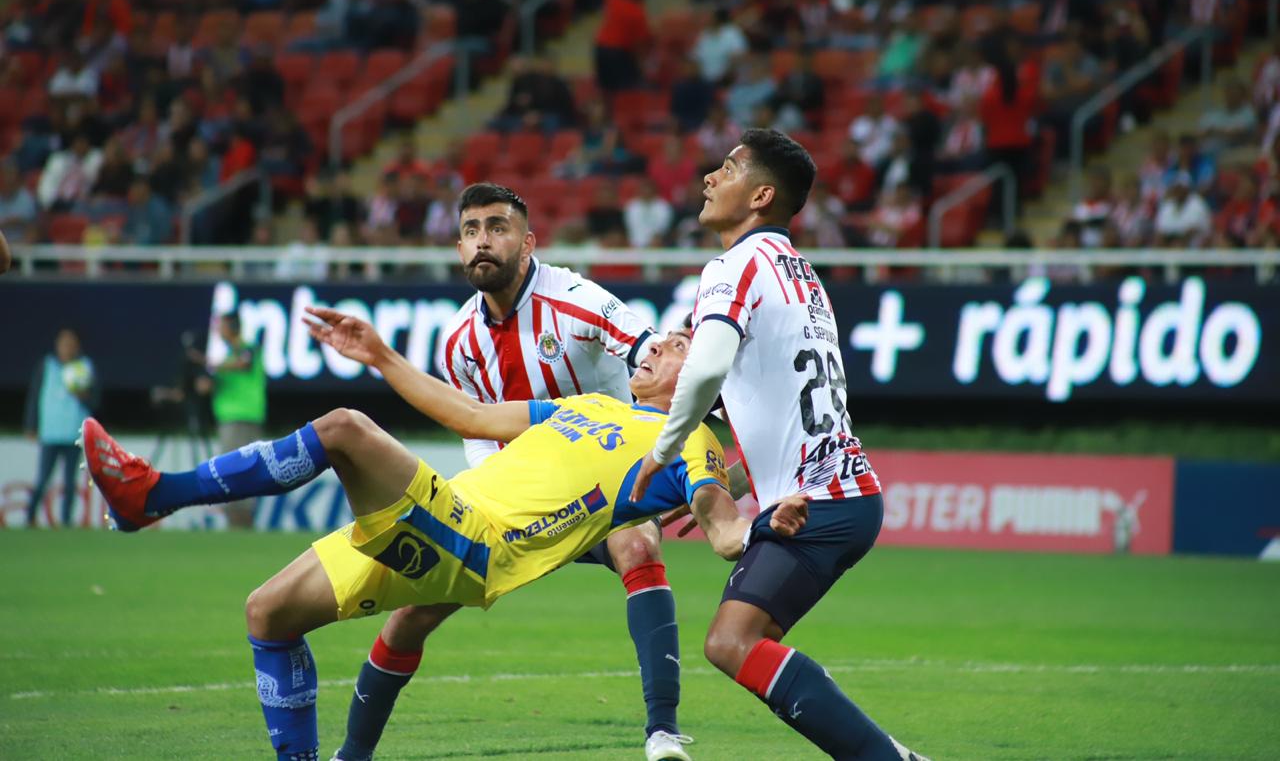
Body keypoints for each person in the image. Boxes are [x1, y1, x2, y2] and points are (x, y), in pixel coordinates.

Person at [80, 315, 809, 761]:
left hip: (476, 543)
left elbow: (719, 528)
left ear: (706, 381)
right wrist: (383, 357)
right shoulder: (589, 403)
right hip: (446, 516)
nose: (661, 344)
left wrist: (761, 522)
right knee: (267, 615)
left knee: (341, 430)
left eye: (681, 343)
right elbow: (468, 415)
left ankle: (153, 495)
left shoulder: (692, 440)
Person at [333, 182, 695, 761]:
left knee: (638, 544)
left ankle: (662, 732)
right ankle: (351, 753)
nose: (484, 241)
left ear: (528, 244)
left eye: (498, 228)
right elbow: (475, 430)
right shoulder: (457, 341)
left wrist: (682, 460)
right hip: (520, 498)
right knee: (414, 609)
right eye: (472, 230)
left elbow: (662, 362)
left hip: (605, 490)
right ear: (458, 247)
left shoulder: (580, 302)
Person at [630, 129, 929, 760]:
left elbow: (706, 370)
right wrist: (736, 483)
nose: (710, 177)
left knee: (730, 643)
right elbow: (793, 404)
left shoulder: (733, 266)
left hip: (816, 498)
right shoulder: (802, 275)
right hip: (844, 491)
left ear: (762, 195)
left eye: (729, 168)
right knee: (745, 641)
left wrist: (662, 453)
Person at [24, 329, 99, 526]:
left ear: (77, 346)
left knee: (69, 481)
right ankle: (30, 516)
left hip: (74, 432)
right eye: (64, 343)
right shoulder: (47, 365)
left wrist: (84, 396)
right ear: (57, 344)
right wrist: (31, 425)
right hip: (50, 432)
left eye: (71, 343)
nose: (67, 347)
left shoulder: (84, 367)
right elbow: (35, 396)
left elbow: (95, 401)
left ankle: (66, 521)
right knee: (43, 478)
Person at [210, 312, 268, 527]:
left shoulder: (246, 349)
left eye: (221, 326)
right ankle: (236, 519)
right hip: (232, 418)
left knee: (238, 469)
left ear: (232, 328)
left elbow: (244, 363)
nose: (218, 331)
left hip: (242, 418)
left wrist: (213, 367)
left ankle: (241, 520)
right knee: (234, 469)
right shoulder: (229, 356)